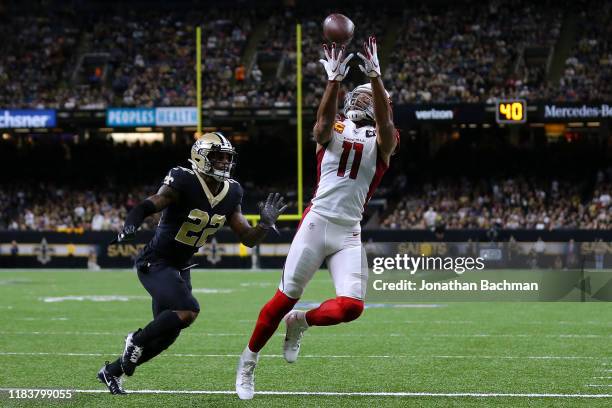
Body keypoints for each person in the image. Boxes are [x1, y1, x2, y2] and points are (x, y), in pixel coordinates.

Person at [235, 37, 399, 399]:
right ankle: (248, 362)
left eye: (371, 97)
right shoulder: (335, 129)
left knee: (352, 307)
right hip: (317, 221)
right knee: (283, 298)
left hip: (348, 231)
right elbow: (322, 128)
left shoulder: (384, 138)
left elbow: (386, 129)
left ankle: (301, 322)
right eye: (361, 95)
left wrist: (375, 77)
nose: (364, 99)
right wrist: (333, 80)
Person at [97, 132, 287, 394]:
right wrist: (132, 221)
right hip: (156, 261)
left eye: (226, 157)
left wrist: (264, 224)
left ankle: (111, 372)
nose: (223, 162)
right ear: (201, 157)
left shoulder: (233, 191)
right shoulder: (184, 179)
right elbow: (150, 204)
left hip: (181, 266)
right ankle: (135, 339)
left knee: (167, 336)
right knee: (188, 310)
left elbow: (248, 238)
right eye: (217, 156)